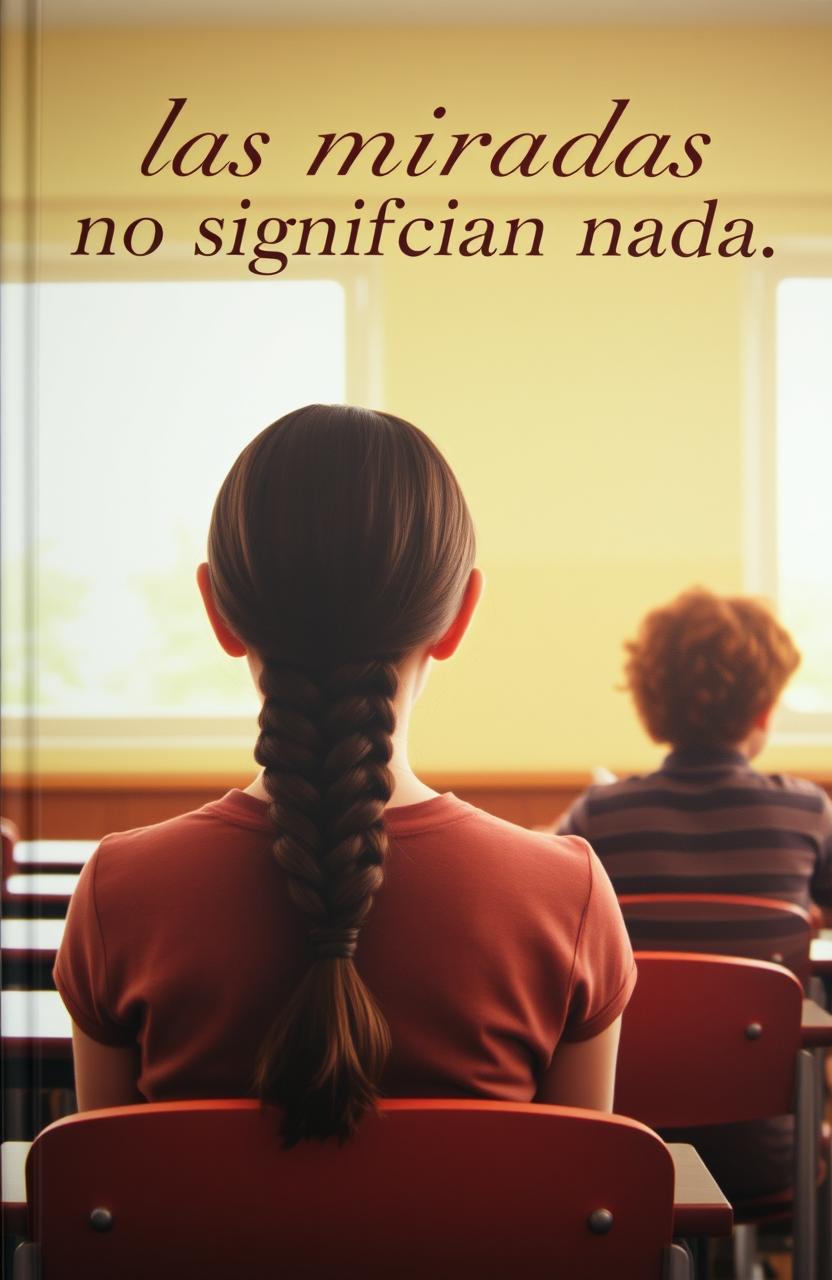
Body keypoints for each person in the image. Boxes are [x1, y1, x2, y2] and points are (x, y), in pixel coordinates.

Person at [54, 404, 636, 1144]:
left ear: (218, 612)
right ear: (458, 617)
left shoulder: (119, 892)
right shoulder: (565, 897)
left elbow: (103, 1204)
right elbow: (579, 1211)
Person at [553, 586, 832, 1199]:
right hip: (769, 1151)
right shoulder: (807, 812)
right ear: (764, 710)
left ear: (654, 703)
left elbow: (535, 902)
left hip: (631, 1143)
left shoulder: (599, 816)